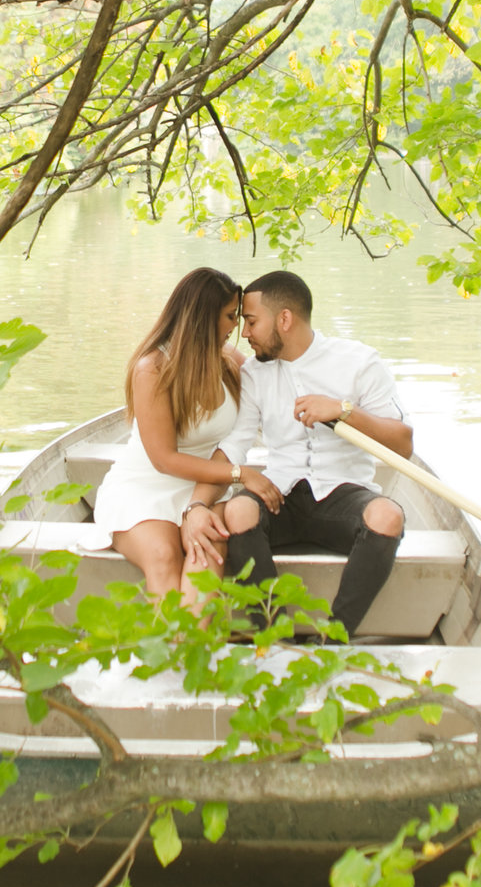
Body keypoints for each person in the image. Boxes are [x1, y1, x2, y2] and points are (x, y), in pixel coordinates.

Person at [191, 270, 412, 641]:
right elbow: (233, 447)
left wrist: (343, 411)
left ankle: (332, 642)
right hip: (282, 495)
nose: (245, 333)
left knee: (388, 515)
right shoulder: (255, 375)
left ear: (285, 320)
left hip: (344, 494)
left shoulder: (359, 361)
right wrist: (197, 505)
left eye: (251, 321)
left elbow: (403, 445)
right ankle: (273, 636)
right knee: (239, 509)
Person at [96, 267, 284, 605]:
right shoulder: (152, 369)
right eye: (229, 316)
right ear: (203, 317)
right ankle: (176, 653)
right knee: (164, 555)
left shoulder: (229, 362)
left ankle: (189, 650)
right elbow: (164, 459)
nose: (235, 328)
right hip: (144, 488)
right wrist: (242, 474)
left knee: (208, 546)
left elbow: (277, 384)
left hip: (203, 488)